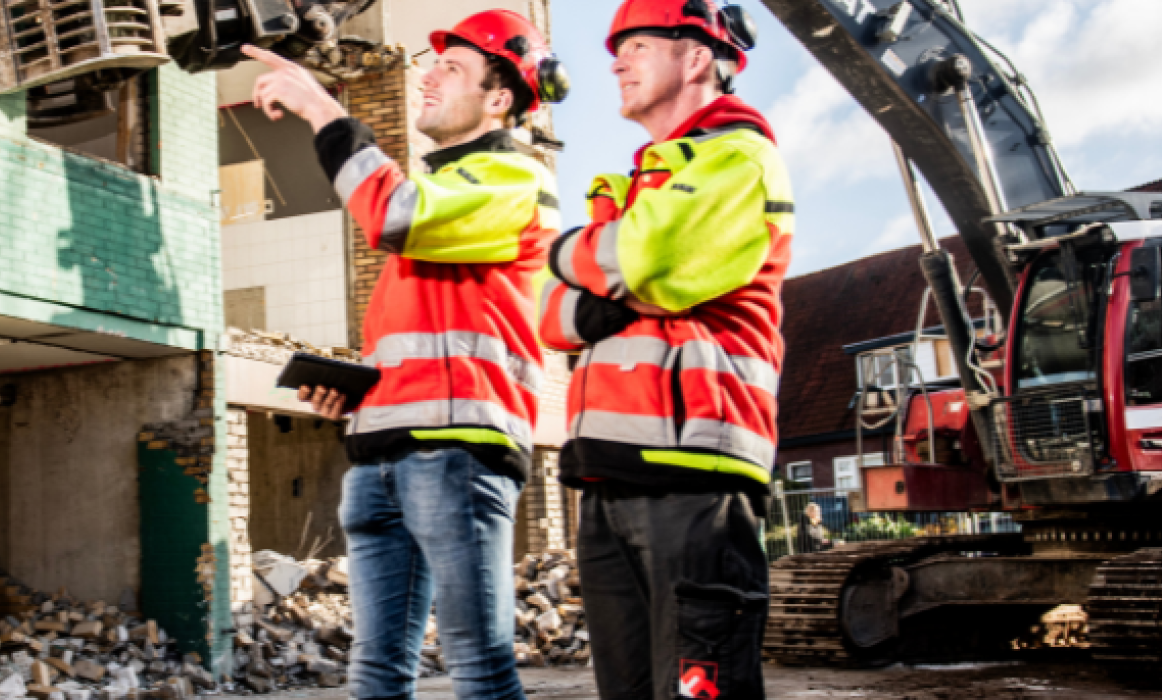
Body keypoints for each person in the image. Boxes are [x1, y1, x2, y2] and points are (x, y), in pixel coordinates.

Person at [242, 10, 568, 700]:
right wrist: (361, 392)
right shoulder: (449, 198)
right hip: (379, 457)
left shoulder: (513, 177)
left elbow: (393, 213)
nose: (427, 75)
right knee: (376, 670)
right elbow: (431, 345)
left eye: (452, 68)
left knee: (478, 666)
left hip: (457, 455)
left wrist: (321, 105)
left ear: (499, 97)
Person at [533, 1, 791, 698]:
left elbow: (645, 258)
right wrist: (608, 277)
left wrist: (569, 254)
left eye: (638, 44)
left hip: (695, 476)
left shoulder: (737, 154)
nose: (616, 61)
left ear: (697, 56)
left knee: (700, 690)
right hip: (610, 476)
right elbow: (552, 318)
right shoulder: (644, 186)